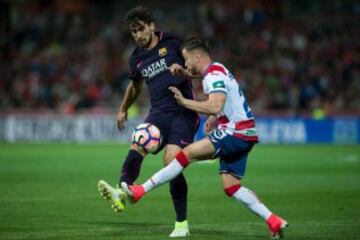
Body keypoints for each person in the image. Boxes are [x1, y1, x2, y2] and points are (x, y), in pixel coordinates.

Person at [121, 37, 288, 239]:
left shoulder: (213, 75)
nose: (185, 63)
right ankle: (273, 220)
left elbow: (215, 105)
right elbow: (220, 101)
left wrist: (185, 102)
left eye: (186, 59)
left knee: (183, 155)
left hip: (234, 132)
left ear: (197, 57)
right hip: (245, 134)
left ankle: (140, 190)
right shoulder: (217, 70)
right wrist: (212, 115)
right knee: (231, 186)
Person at [97, 6, 198, 238]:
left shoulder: (173, 43)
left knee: (171, 162)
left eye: (140, 29)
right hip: (159, 114)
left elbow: (197, 69)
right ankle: (122, 190)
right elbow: (135, 86)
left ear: (152, 26)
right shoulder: (136, 58)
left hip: (183, 113)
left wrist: (184, 71)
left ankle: (181, 224)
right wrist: (122, 109)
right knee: (140, 139)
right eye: (133, 32)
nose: (138, 35)